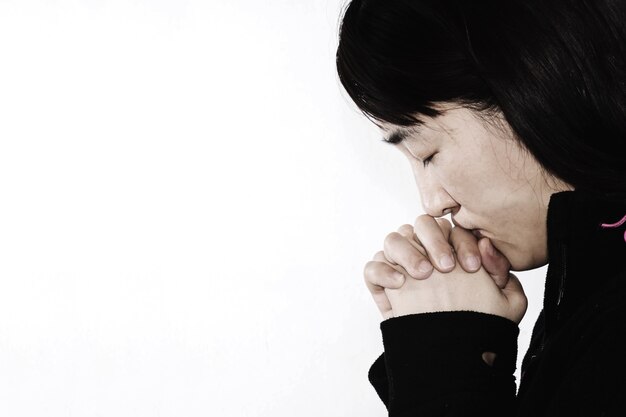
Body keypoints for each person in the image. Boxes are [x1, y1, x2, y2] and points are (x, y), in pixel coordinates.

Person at [335, 0, 626, 415]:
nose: (434, 203)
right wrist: (470, 354)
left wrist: (443, 365)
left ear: (529, 85)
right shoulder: (590, 290)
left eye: (427, 152)